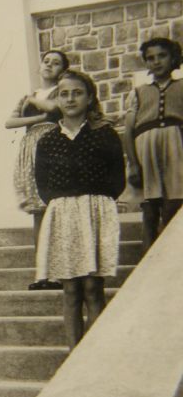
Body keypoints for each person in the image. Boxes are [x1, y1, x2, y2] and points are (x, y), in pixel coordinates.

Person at [35, 70, 126, 349]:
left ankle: (96, 354)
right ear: (57, 99)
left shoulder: (105, 134)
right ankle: (74, 354)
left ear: (89, 98)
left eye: (77, 92)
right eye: (64, 93)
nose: (70, 98)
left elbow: (117, 178)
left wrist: (95, 201)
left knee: (92, 287)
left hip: (96, 212)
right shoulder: (48, 140)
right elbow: (43, 185)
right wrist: (66, 203)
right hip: (63, 215)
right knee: (71, 289)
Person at [5, 50, 70, 291]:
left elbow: (57, 109)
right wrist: (39, 114)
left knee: (55, 206)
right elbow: (9, 122)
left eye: (56, 63)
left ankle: (59, 272)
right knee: (38, 211)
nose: (49, 66)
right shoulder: (30, 96)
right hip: (31, 147)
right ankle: (42, 273)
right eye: (46, 61)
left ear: (62, 69)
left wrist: (39, 109)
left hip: (52, 144)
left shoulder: (62, 90)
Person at [124, 37, 183, 253]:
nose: (156, 62)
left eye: (162, 56)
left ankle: (169, 256)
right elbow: (129, 130)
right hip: (146, 152)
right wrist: (133, 163)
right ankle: (147, 259)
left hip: (176, 148)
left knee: (173, 205)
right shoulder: (138, 92)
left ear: (174, 58)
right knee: (149, 208)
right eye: (150, 58)